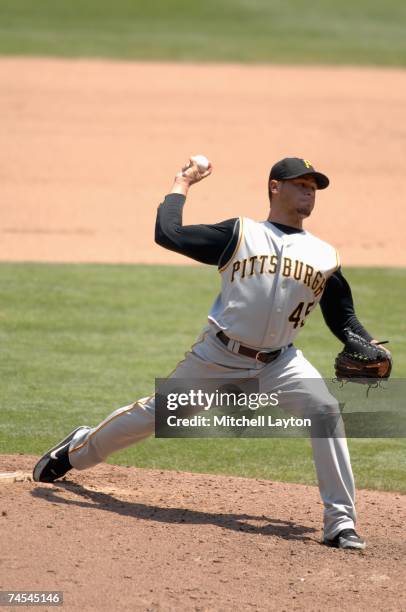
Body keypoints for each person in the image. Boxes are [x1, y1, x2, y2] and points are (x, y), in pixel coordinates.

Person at [33, 156, 387, 550]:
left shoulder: (324, 255)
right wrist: (181, 183)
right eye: (300, 183)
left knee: (324, 410)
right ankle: (77, 450)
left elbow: (344, 317)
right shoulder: (241, 233)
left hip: (281, 363)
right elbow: (169, 234)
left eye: (313, 186)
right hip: (218, 357)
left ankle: (340, 523)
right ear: (275, 187)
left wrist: (365, 343)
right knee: (157, 415)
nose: (309, 191)